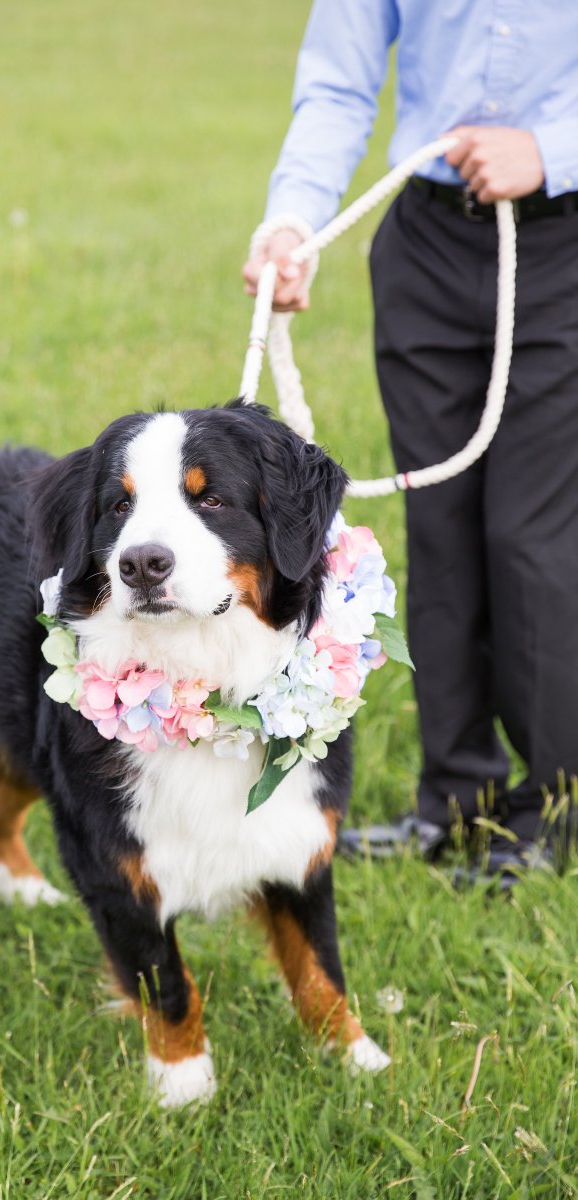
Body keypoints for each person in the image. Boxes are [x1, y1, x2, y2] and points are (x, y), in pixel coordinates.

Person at [243, 2, 578, 884]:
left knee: (530, 536)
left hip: (565, 241)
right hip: (425, 246)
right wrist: (292, 222)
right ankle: (457, 802)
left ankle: (551, 807)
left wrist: (554, 149)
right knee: (440, 528)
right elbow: (338, 81)